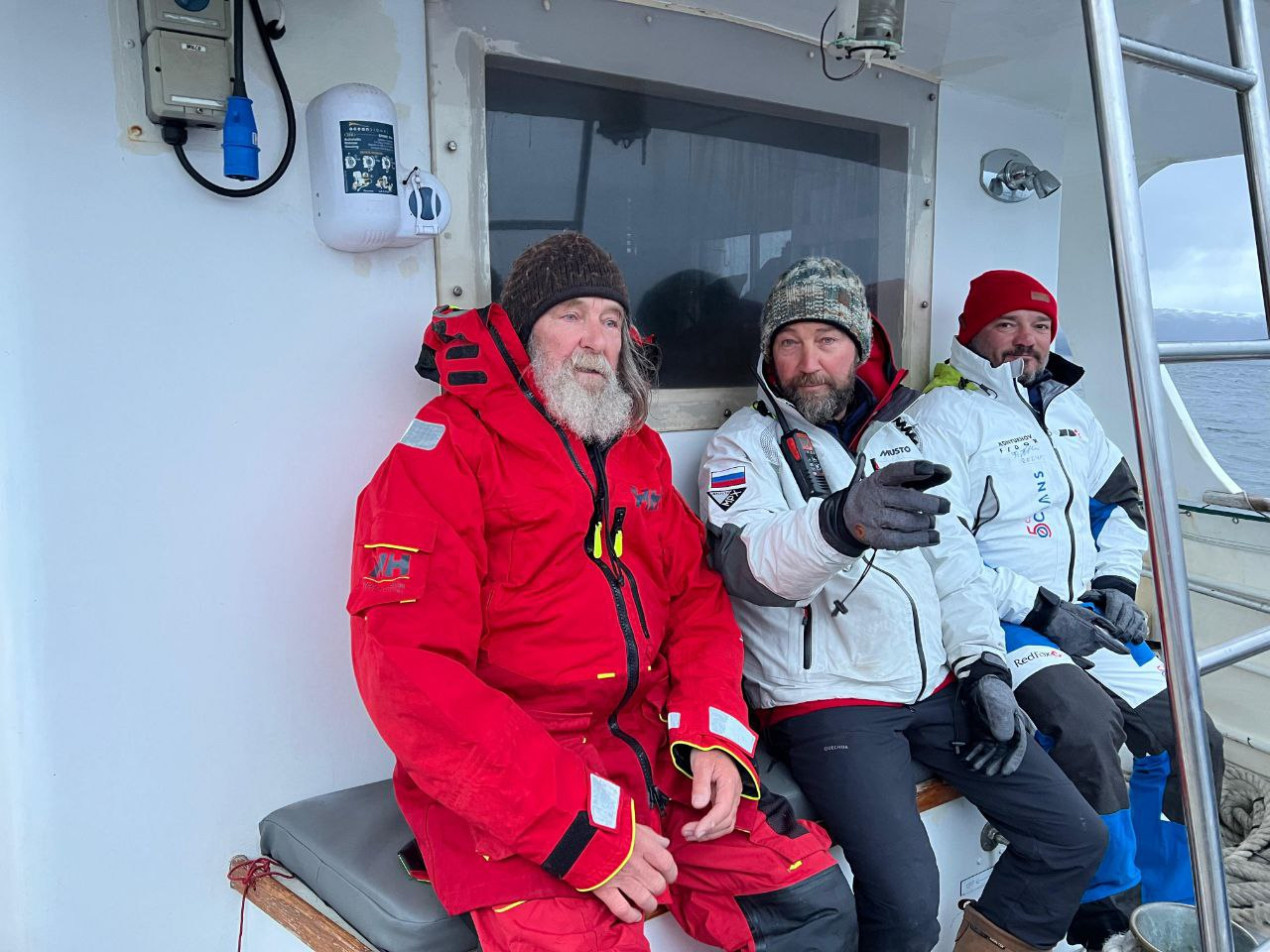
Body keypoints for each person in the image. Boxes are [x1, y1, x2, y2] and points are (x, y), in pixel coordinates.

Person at [348, 233, 855, 952]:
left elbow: (698, 600)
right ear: (524, 334)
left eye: (611, 320)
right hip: (522, 783)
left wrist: (710, 736)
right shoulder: (442, 456)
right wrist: (578, 831)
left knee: (809, 896)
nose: (596, 340)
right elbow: (410, 677)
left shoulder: (633, 448)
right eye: (570, 316)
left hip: (650, 754)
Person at [698, 257, 1106, 952]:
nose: (808, 362)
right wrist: (837, 523)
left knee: (1073, 835)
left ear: (859, 349)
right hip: (826, 700)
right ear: (769, 354)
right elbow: (751, 568)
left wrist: (982, 667)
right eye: (789, 343)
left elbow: (955, 567)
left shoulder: (902, 437)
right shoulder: (743, 445)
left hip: (936, 686)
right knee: (911, 902)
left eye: (827, 341)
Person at [902, 269, 1226, 949]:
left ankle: (1171, 908)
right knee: (1084, 731)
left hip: (1088, 613)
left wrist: (1115, 584)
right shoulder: (939, 417)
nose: (1027, 339)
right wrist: (1042, 611)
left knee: (1194, 739)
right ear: (973, 333)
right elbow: (940, 546)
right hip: (1008, 623)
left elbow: (1124, 504)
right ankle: (1107, 918)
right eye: (1008, 324)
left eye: (1040, 325)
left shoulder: (1069, 410)